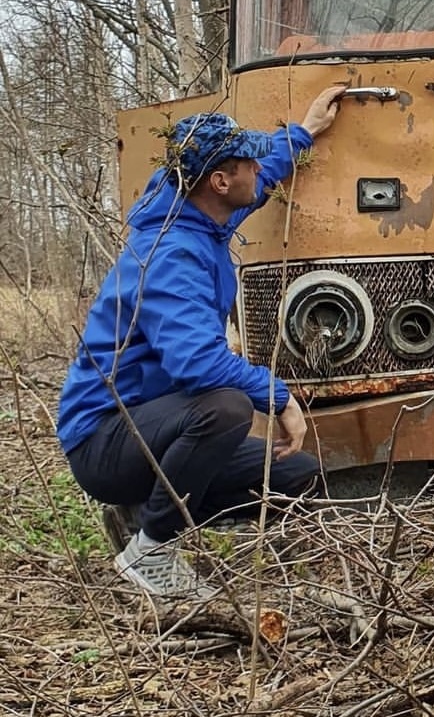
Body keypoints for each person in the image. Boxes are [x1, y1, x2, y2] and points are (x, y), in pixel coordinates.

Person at [57, 83, 349, 600]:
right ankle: (151, 549)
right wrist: (279, 397)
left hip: (151, 431)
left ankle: (138, 515)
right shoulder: (172, 253)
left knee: (296, 474)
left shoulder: (202, 218)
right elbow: (198, 365)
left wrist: (305, 131)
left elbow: (261, 179)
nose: (258, 173)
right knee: (227, 407)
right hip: (102, 440)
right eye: (247, 165)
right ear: (218, 180)